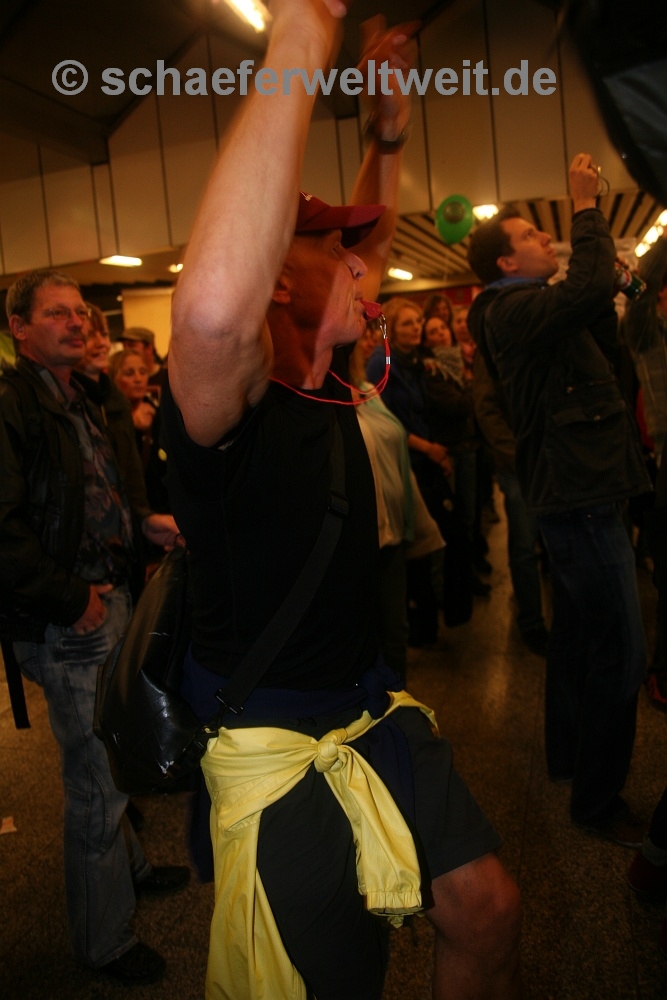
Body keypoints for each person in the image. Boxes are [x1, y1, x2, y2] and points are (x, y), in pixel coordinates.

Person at [163, 3, 521, 999]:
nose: (368, 262)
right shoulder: (229, 410)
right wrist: (301, 35)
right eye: (333, 250)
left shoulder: (328, 380)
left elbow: (367, 226)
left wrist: (386, 133)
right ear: (276, 285)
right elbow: (213, 312)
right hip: (277, 741)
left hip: (364, 707)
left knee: (488, 911)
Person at [0, 270, 188, 985]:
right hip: (68, 617)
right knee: (93, 781)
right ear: (19, 329)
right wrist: (68, 595)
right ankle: (101, 941)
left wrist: (143, 525)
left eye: (80, 312)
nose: (77, 323)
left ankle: (128, 871)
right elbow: (4, 528)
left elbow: (98, 493)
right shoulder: (12, 405)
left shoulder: (80, 394)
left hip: (106, 600)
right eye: (57, 314)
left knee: (111, 749)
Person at [467, 155, 652, 847]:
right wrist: (584, 207)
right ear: (505, 262)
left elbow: (599, 338)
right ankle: (597, 801)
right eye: (531, 236)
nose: (547, 239)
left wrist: (609, 288)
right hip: (577, 494)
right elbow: (583, 290)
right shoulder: (507, 308)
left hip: (581, 485)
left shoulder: (534, 308)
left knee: (577, 636)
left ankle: (568, 758)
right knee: (621, 652)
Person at [119, 325, 167, 400]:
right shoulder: (121, 378)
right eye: (124, 346)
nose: (126, 350)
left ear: (149, 348)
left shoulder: (167, 377)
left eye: (131, 345)